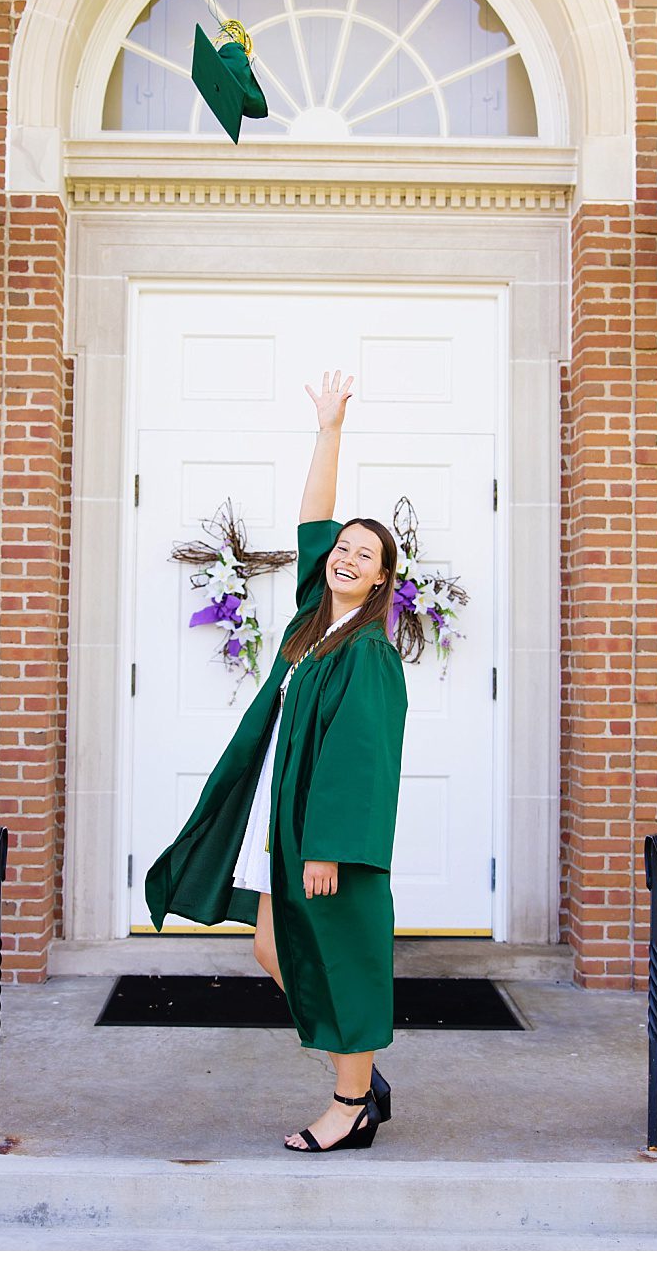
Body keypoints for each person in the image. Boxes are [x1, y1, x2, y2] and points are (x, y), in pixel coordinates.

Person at [146, 369, 410, 1154]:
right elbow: (313, 518)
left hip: (327, 837)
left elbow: (362, 758)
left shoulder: (368, 653)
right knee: (272, 946)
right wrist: (329, 427)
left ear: (383, 576)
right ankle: (358, 1072)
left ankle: (349, 1100)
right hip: (284, 821)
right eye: (344, 549)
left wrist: (330, 846)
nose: (348, 557)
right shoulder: (309, 621)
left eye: (366, 554)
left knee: (339, 960)